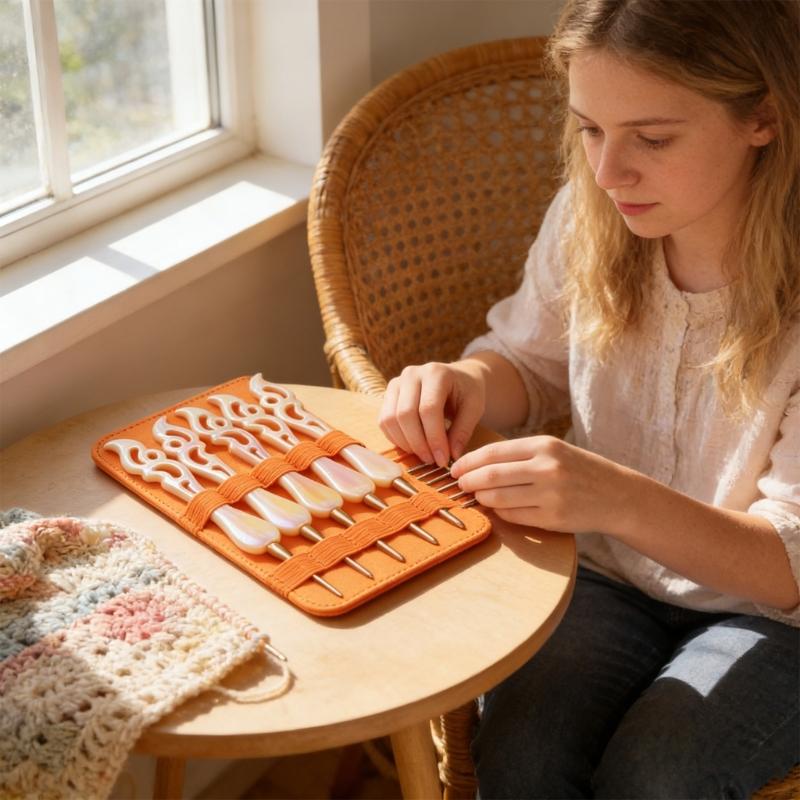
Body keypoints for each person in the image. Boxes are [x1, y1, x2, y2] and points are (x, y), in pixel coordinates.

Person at [377, 0, 800, 796]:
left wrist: (610, 496)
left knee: (657, 780)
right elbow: (527, 365)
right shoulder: (591, 218)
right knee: (521, 759)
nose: (609, 173)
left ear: (764, 118)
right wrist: (462, 383)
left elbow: (790, 562)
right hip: (603, 573)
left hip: (775, 618)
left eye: (652, 137)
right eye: (589, 129)